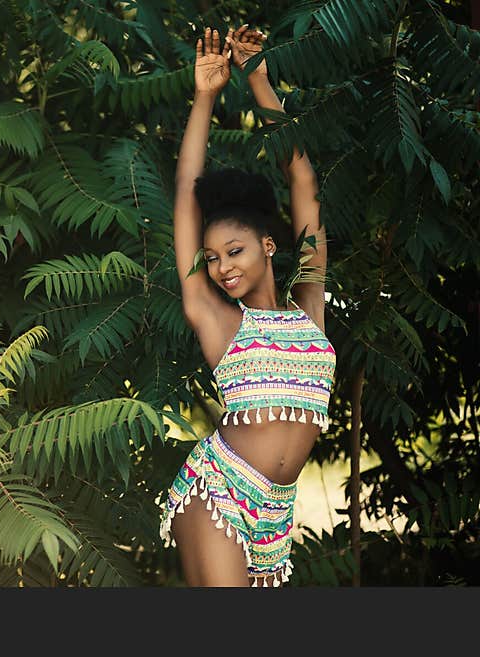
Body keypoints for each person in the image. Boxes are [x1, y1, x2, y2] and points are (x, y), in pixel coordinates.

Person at [158, 25, 337, 587]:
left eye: (233, 251)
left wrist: (260, 81)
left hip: (275, 513)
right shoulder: (217, 318)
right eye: (211, 258)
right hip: (219, 490)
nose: (221, 267)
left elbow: (301, 177)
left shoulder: (308, 300)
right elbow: (189, 187)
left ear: (268, 245)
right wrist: (205, 97)